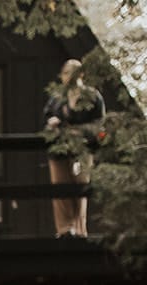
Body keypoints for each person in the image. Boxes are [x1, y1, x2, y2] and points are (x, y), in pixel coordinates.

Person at [43, 58, 104, 238]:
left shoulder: (92, 96)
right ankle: (63, 229)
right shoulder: (56, 98)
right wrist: (52, 124)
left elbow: (99, 124)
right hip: (59, 149)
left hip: (82, 149)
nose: (69, 77)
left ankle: (79, 229)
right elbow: (46, 120)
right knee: (60, 188)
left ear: (81, 75)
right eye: (66, 73)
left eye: (73, 73)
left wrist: (81, 132)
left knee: (80, 187)